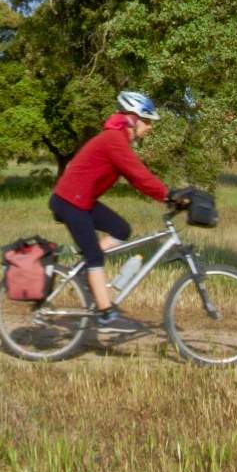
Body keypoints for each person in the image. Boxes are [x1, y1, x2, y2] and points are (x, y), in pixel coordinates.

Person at [50, 91, 172, 334]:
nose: (150, 127)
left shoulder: (117, 139)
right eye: (147, 121)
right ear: (133, 119)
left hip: (81, 200)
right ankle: (106, 316)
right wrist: (169, 196)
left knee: (120, 229)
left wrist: (166, 195)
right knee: (95, 256)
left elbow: (137, 176)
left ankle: (84, 269)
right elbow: (138, 175)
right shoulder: (114, 140)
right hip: (70, 202)